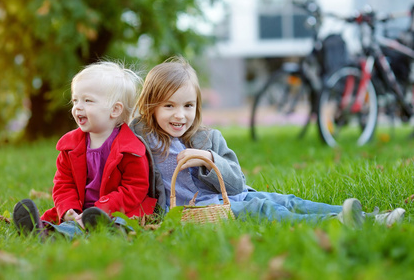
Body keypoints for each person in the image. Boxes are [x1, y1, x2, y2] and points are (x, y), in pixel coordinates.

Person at [130, 56, 406, 228]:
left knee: (284, 200)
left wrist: (210, 160)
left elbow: (237, 182)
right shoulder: (142, 139)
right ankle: (336, 222)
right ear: (152, 105)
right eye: (168, 106)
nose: (180, 115)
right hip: (197, 210)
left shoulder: (207, 138)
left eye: (188, 105)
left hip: (232, 194)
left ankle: (371, 218)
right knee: (262, 209)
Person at [13, 61, 157, 239]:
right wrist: (69, 209)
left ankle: (70, 232)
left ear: (115, 110)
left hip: (117, 210)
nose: (78, 107)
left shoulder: (131, 149)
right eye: (75, 100)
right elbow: (63, 183)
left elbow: (135, 187)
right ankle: (43, 230)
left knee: (119, 223)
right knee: (67, 221)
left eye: (88, 101)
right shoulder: (70, 147)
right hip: (80, 208)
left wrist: (103, 208)